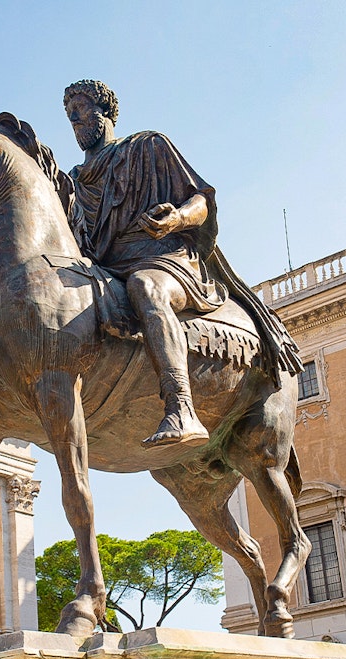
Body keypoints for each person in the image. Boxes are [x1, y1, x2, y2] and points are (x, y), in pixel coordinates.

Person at [62, 79, 301, 447]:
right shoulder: (74, 181)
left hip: (163, 258)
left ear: (106, 111)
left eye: (81, 110)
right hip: (106, 268)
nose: (75, 120)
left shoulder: (147, 146)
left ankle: (181, 408)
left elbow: (201, 203)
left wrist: (175, 219)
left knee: (147, 288)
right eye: (69, 115)